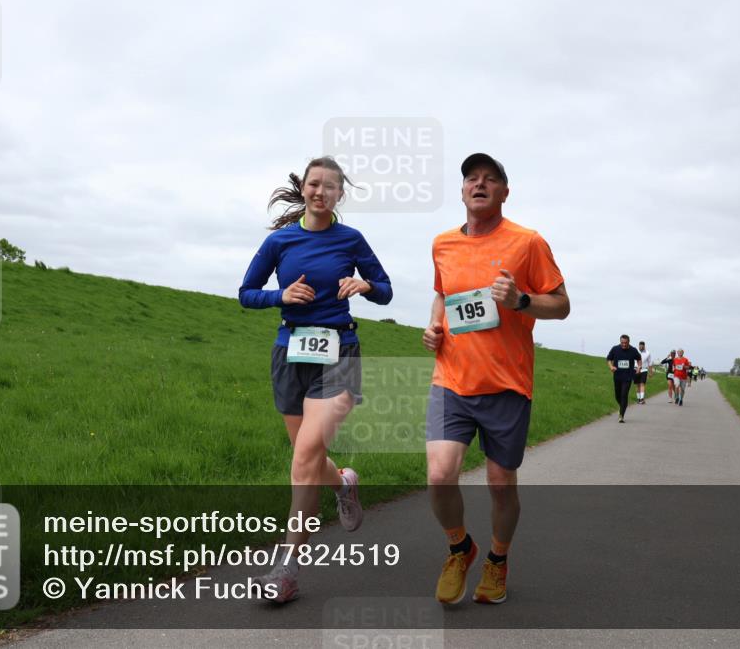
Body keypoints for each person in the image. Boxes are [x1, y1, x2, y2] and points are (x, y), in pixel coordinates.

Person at [239, 156, 392, 603]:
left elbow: (384, 289)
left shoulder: (351, 239)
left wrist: (364, 286)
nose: (320, 192)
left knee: (304, 455)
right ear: (303, 189)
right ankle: (344, 482)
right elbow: (246, 293)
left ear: (340, 195)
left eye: (330, 186)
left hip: (339, 351)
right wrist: (280, 295)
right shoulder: (281, 242)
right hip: (290, 352)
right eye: (314, 184)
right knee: (309, 459)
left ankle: (285, 569)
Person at [422, 153, 570, 605]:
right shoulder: (443, 244)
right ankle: (459, 547)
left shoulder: (528, 242)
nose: (479, 184)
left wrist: (522, 300)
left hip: (506, 384)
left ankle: (498, 559)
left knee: (501, 484)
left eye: (490, 179)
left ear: (505, 192)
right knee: (440, 475)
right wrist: (434, 328)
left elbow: (561, 304)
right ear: (463, 190)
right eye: (471, 178)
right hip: (451, 379)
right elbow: (443, 296)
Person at [607, 335, 642, 422]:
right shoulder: (615, 349)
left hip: (628, 376)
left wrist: (639, 367)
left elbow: (639, 359)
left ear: (629, 342)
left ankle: (621, 415)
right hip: (617, 376)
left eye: (626, 343)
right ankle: (622, 406)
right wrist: (611, 366)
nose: (624, 344)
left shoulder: (633, 350)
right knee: (617, 395)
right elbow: (608, 359)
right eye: (622, 343)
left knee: (624, 395)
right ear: (620, 341)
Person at [634, 340, 653, 404]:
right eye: (640, 346)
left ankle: (642, 399)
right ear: (638, 346)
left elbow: (650, 363)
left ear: (644, 346)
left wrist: (650, 372)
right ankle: (638, 399)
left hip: (644, 370)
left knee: (642, 383)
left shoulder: (648, 353)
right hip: (636, 369)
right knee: (637, 385)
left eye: (642, 346)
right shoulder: (635, 351)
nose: (641, 347)